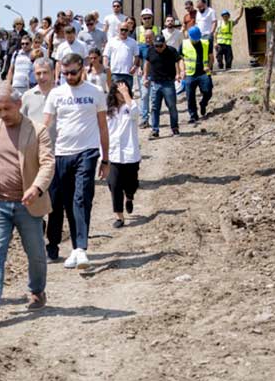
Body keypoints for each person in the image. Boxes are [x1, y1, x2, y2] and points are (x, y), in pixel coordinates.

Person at [0, 85, 55, 325]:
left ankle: (37, 290)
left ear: (19, 105)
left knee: (35, 253)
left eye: (7, 108)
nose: (3, 113)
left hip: (28, 205)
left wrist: (36, 188)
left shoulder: (37, 131)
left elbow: (47, 164)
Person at [43, 53, 110, 270]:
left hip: (87, 152)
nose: (69, 77)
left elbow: (103, 127)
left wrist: (106, 158)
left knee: (81, 198)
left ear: (82, 68)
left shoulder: (95, 93)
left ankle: (80, 248)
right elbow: (46, 126)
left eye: (73, 72)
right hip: (61, 153)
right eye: (65, 73)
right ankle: (58, 246)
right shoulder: (56, 94)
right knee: (59, 203)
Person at [24, 58, 63, 262]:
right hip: (34, 158)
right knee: (34, 200)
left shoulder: (62, 95)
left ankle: (53, 244)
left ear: (52, 72)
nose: (41, 77)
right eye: (37, 73)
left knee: (56, 203)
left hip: (58, 155)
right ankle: (39, 233)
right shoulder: (28, 97)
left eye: (44, 72)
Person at [105, 80, 141, 229]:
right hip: (113, 154)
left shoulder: (130, 106)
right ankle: (119, 216)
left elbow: (135, 113)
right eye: (118, 91)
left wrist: (126, 94)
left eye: (123, 91)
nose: (120, 94)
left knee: (131, 183)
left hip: (129, 153)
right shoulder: (109, 111)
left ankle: (130, 195)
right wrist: (103, 156)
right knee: (114, 184)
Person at [143, 33, 182, 138]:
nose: (158, 48)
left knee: (172, 106)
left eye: (160, 45)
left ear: (165, 44)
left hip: (168, 83)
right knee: (155, 108)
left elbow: (179, 61)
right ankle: (155, 130)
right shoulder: (150, 51)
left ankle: (175, 128)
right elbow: (147, 63)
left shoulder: (171, 51)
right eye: (156, 46)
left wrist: (180, 72)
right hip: (155, 83)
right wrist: (145, 77)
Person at [182, 26, 214, 124]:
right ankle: (193, 116)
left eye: (197, 39)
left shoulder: (206, 43)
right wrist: (182, 71)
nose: (196, 41)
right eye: (194, 39)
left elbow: (211, 57)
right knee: (190, 96)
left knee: (208, 91)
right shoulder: (184, 44)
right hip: (190, 74)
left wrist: (209, 66)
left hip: (203, 73)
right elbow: (180, 59)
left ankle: (203, 103)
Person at [103, 21, 139, 94]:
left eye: (126, 30)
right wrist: (106, 67)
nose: (123, 32)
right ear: (118, 29)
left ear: (128, 31)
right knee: (115, 97)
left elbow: (137, 56)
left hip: (128, 74)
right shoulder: (111, 41)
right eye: (122, 29)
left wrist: (134, 66)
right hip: (115, 74)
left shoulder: (133, 42)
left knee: (128, 97)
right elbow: (106, 56)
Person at [136, 29, 157, 127]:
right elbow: (139, 59)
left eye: (150, 37)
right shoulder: (141, 47)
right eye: (146, 37)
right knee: (144, 96)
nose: (148, 39)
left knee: (154, 98)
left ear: (153, 37)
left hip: (154, 75)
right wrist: (139, 68)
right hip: (144, 75)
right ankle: (144, 119)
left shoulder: (158, 46)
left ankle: (153, 120)